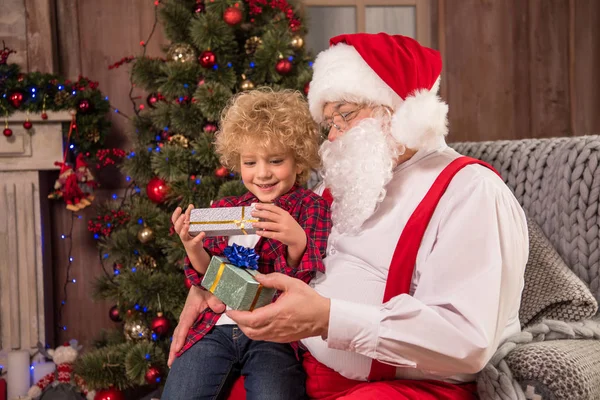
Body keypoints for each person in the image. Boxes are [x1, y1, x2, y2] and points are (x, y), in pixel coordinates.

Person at [169, 32, 529, 400]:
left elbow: (467, 339)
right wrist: (205, 285)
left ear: (397, 111)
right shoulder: (345, 182)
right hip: (296, 362)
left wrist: (328, 318)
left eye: (344, 116)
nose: (335, 137)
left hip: (400, 387)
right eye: (330, 123)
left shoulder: (470, 191)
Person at [162, 88, 332, 400]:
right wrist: (191, 245)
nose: (263, 173)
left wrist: (297, 240)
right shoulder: (227, 209)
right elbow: (208, 278)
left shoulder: (310, 207)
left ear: (298, 161)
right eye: (250, 162)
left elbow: (304, 280)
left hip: (274, 333)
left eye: (276, 160)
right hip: (215, 328)